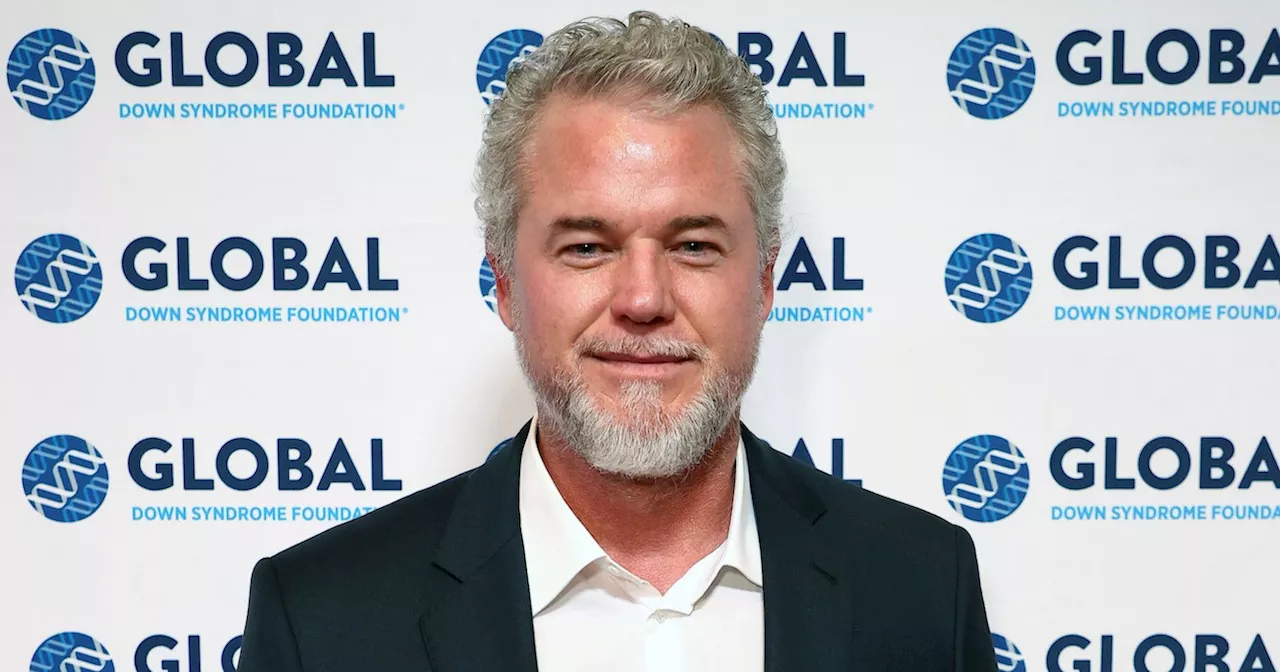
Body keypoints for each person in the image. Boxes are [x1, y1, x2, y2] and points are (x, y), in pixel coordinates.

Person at [238, 11, 997, 671]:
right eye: (586, 247)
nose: (643, 300)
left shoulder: (924, 587)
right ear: (504, 283)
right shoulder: (323, 618)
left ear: (765, 281)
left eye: (694, 245)